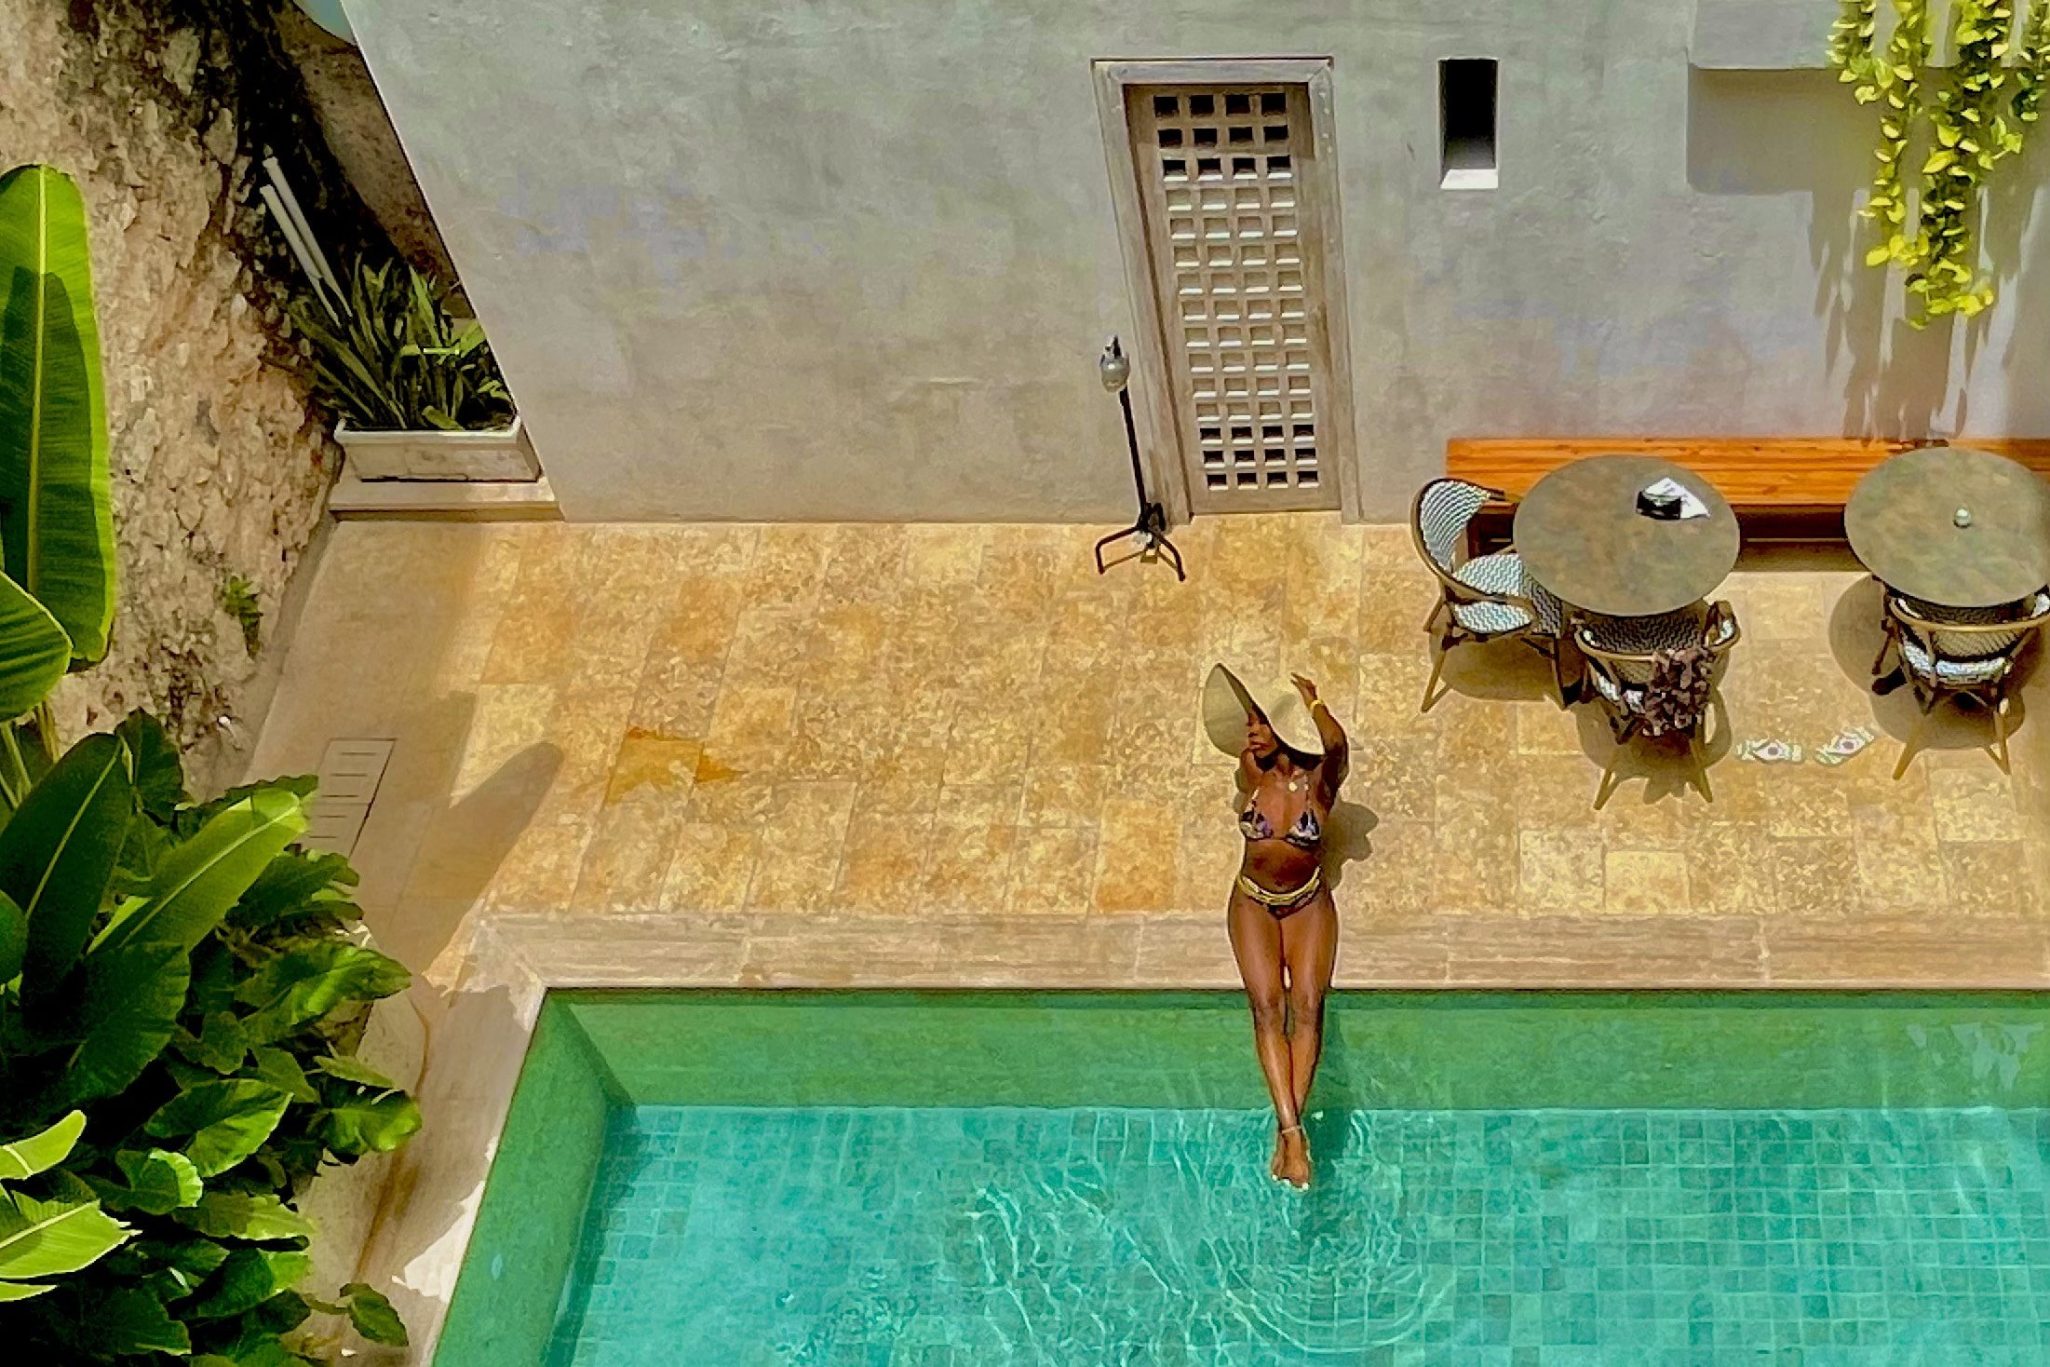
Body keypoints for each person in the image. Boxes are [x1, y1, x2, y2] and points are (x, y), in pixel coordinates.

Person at [1202, 664, 1348, 1189]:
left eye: (1260, 722)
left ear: (1285, 728)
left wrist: (1312, 704)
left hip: (1307, 903)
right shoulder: (1251, 772)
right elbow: (1250, 757)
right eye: (1250, 722)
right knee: (1267, 1008)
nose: (1250, 732)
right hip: (1253, 903)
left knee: (1308, 1007)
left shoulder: (1321, 782)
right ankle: (1292, 1132)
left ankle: (1289, 1131)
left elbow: (1336, 743)